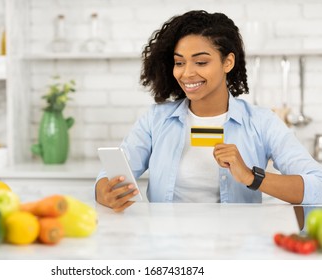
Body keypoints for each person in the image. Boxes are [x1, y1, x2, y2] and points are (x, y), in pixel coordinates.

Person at [95, 10, 322, 212]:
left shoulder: (262, 122)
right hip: (166, 247)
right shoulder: (156, 119)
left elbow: (318, 185)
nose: (187, 73)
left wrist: (251, 177)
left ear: (228, 62)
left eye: (201, 63)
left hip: (235, 247)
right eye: (180, 63)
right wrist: (105, 192)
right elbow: (106, 179)